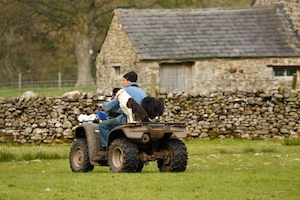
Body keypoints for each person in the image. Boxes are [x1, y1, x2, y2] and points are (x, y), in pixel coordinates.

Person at [98, 71, 147, 148]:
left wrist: (103, 106)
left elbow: (113, 104)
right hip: (141, 118)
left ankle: (107, 148)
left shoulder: (125, 91)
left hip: (127, 118)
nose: (122, 83)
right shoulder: (143, 92)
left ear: (128, 80)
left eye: (123, 80)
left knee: (103, 125)